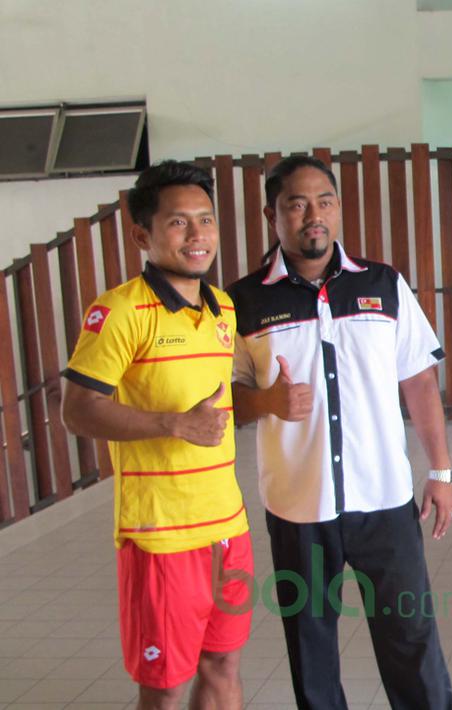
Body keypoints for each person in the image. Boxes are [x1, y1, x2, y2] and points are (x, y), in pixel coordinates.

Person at [228, 155, 452, 709]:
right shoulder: (244, 301)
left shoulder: (383, 284)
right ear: (271, 214)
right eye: (297, 204)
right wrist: (268, 402)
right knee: (312, 652)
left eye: (324, 202)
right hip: (298, 508)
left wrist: (442, 473)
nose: (313, 215)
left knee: (412, 643)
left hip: (384, 503)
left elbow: (420, 384)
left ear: (338, 209)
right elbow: (226, 401)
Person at [61, 161, 251, 709]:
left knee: (223, 665)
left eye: (206, 220)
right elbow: (78, 410)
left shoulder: (223, 308)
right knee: (165, 684)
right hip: (161, 536)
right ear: (143, 234)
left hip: (227, 526)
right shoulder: (118, 311)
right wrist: (173, 424)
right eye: (178, 222)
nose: (198, 236)